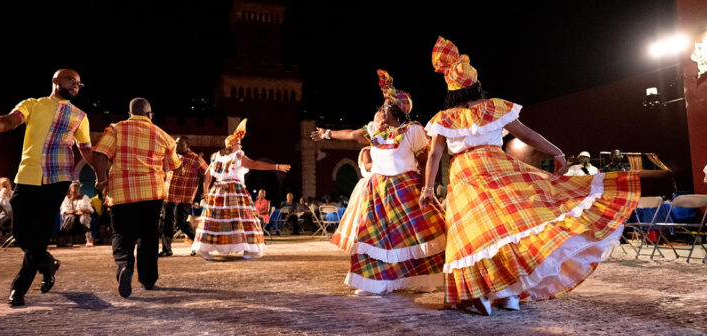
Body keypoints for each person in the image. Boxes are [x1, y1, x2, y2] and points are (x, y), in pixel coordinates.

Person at [421, 36, 640, 315]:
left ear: (451, 90)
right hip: (500, 168)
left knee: (474, 234)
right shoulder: (496, 108)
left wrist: (428, 188)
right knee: (512, 228)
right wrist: (557, 152)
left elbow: (434, 156)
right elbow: (527, 134)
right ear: (476, 84)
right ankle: (509, 293)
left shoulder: (444, 118)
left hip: (466, 174)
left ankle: (481, 293)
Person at [311, 69, 447, 295]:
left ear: (398, 110)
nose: (380, 110)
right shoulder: (375, 130)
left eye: (385, 107)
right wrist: (327, 133)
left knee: (410, 238)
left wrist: (427, 189)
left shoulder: (412, 131)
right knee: (371, 235)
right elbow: (352, 134)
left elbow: (425, 162)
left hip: (406, 190)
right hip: (378, 192)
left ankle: (418, 280)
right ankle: (372, 281)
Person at [0, 68, 93, 307]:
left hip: (58, 178)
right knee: (21, 234)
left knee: (38, 236)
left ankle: (19, 288)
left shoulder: (80, 116)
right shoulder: (33, 105)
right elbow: (10, 120)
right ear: (56, 80)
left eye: (79, 83)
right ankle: (48, 263)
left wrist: (100, 174)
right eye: (72, 81)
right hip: (27, 176)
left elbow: (85, 148)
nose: (77, 86)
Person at [93, 97, 181, 298]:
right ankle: (148, 279)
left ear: (130, 113)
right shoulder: (163, 135)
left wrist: (101, 179)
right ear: (150, 114)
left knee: (122, 234)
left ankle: (124, 265)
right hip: (152, 193)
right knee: (148, 236)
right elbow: (174, 165)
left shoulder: (116, 129)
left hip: (122, 193)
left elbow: (100, 154)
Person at [191, 119, 290, 260]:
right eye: (238, 142)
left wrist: (206, 191)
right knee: (242, 219)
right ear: (232, 144)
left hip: (218, 190)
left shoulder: (215, 156)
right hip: (234, 190)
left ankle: (205, 249)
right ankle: (247, 249)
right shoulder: (238, 156)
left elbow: (207, 174)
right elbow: (255, 164)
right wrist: (276, 167)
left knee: (214, 220)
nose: (241, 144)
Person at [159, 136, 209, 257]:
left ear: (187, 146)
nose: (177, 146)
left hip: (184, 196)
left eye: (180, 144)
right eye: (176, 143)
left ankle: (200, 244)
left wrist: (206, 190)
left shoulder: (196, 159)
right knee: (166, 223)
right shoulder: (172, 157)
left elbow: (208, 172)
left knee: (180, 222)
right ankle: (167, 249)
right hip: (169, 195)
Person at [60, 181, 94, 247]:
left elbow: (90, 209)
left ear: (79, 190)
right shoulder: (66, 198)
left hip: (81, 218)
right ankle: (65, 240)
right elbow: (64, 210)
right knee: (70, 218)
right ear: (70, 190)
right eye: (73, 189)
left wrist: (82, 211)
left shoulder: (84, 197)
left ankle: (89, 239)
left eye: (77, 188)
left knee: (84, 218)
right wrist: (74, 211)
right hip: (70, 218)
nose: (75, 190)